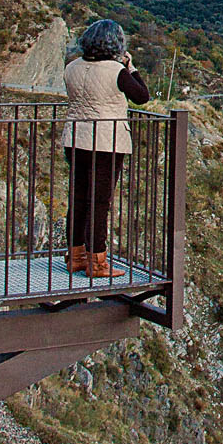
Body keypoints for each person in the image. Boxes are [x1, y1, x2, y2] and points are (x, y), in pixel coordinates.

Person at [62, 20, 150, 278]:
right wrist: (131, 67)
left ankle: (75, 256)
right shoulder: (117, 71)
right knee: (99, 202)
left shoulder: (72, 67)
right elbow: (142, 96)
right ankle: (97, 262)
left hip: (76, 138)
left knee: (78, 198)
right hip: (106, 143)